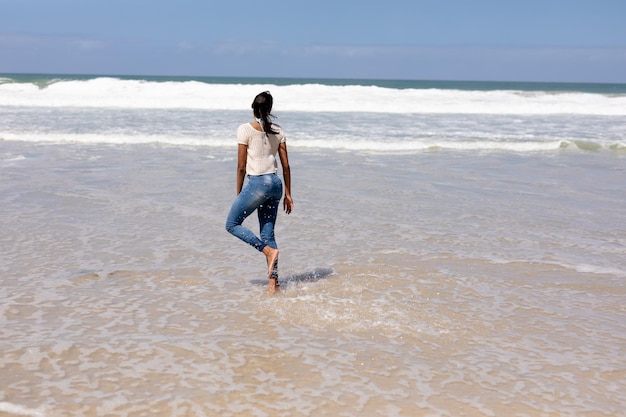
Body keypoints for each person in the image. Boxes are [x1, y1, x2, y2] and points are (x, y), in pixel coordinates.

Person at [225, 91, 293, 293]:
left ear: (252, 107)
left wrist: (239, 193)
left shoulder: (245, 129)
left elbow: (241, 166)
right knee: (267, 233)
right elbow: (287, 166)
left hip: (258, 184)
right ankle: (274, 285)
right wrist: (288, 194)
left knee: (232, 224)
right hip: (276, 184)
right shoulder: (278, 131)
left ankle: (267, 251)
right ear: (270, 110)